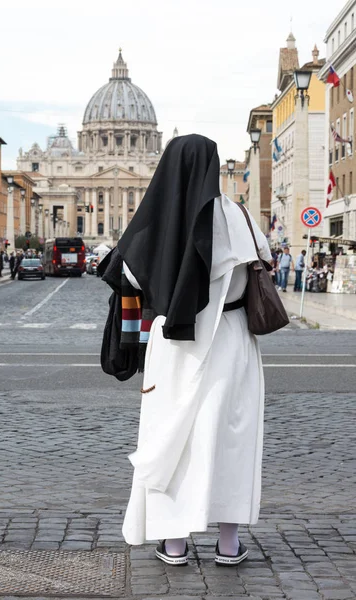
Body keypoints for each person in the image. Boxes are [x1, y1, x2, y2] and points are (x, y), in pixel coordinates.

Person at [108, 134, 271, 567]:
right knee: (231, 436)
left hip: (175, 344)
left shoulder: (153, 222)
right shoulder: (239, 218)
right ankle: (229, 544)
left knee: (172, 436)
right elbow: (264, 259)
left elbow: (128, 277)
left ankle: (175, 543)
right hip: (232, 339)